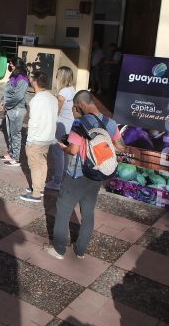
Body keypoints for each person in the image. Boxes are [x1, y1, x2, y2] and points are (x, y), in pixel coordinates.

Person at [46, 90, 125, 259]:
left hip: (77, 174)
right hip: (97, 173)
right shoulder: (110, 122)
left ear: (81, 104)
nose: (76, 109)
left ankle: (59, 249)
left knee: (63, 209)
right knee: (88, 212)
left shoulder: (80, 123)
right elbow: (120, 147)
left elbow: (73, 150)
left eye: (76, 106)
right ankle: (81, 250)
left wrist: (63, 146)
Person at [19, 71, 58, 203]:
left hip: (37, 138)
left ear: (35, 82)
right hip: (48, 137)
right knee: (42, 163)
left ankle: (36, 194)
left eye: (31, 79)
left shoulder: (36, 100)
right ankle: (39, 188)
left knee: (35, 165)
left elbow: (33, 122)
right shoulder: (52, 97)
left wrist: (29, 140)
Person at [46, 67, 76, 191]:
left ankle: (57, 181)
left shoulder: (63, 92)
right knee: (64, 150)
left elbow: (56, 112)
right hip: (69, 123)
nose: (56, 76)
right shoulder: (71, 89)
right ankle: (62, 175)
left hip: (61, 124)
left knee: (57, 152)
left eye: (58, 74)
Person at [1, 57, 29, 167]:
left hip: (17, 109)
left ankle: (16, 158)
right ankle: (11, 153)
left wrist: (7, 104)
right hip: (10, 109)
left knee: (16, 134)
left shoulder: (22, 78)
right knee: (10, 133)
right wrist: (3, 100)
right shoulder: (14, 76)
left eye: (12, 64)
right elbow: (8, 91)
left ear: (17, 65)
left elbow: (18, 96)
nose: (10, 66)